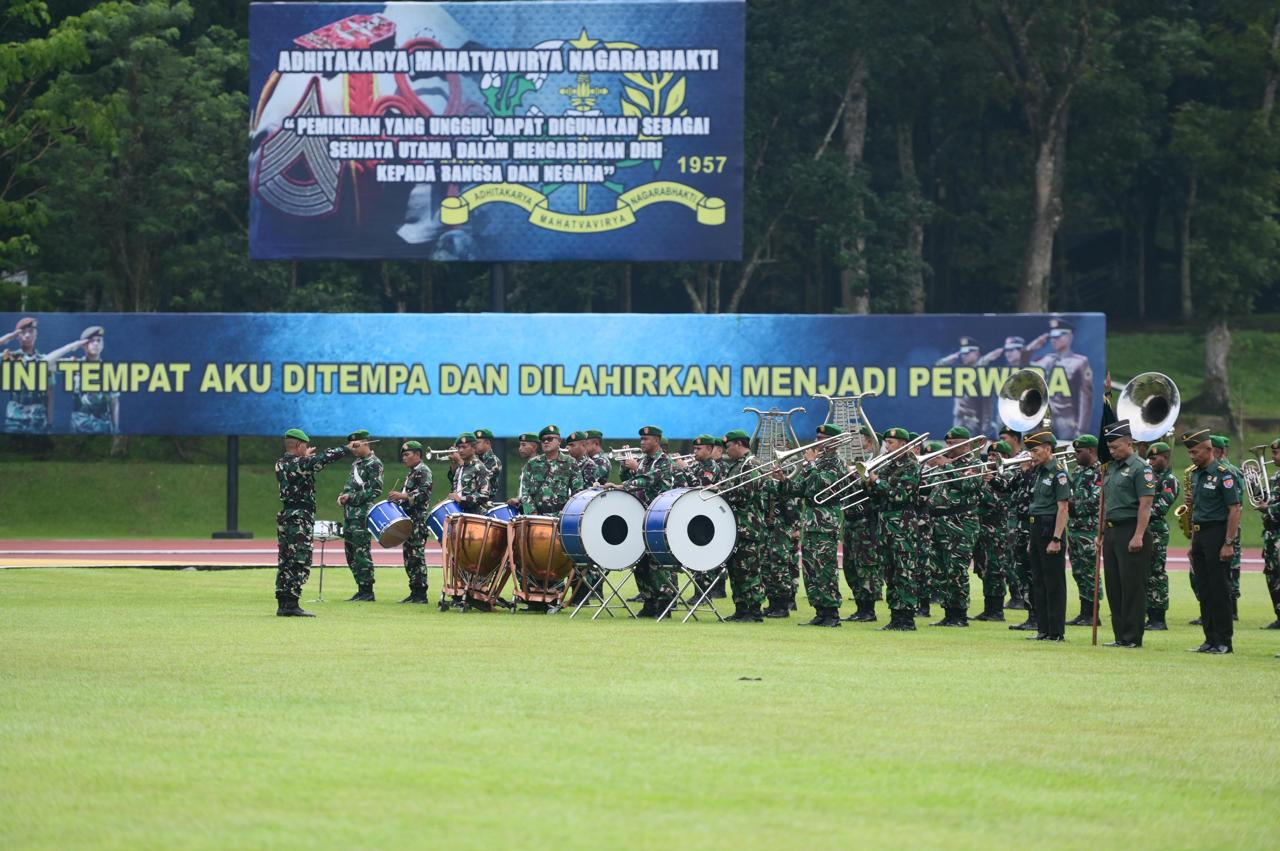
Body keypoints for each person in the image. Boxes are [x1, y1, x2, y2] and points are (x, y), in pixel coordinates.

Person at [273, 429, 351, 616]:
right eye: (305, 446)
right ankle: (291, 604)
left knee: (285, 559)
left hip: (287, 514)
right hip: (300, 517)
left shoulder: (281, 463)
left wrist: (304, 457)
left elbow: (302, 464)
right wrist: (346, 449)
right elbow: (323, 459)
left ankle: (284, 602)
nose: (307, 449)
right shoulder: (301, 463)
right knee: (300, 558)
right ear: (299, 445)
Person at [775, 424, 846, 627]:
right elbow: (802, 489)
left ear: (833, 441)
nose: (817, 441)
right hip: (811, 521)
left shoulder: (836, 463)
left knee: (825, 568)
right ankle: (820, 611)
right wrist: (783, 480)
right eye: (817, 437)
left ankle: (831, 613)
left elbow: (823, 484)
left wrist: (811, 465)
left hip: (826, 522)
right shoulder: (819, 462)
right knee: (811, 568)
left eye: (822, 438)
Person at [1098, 421, 1156, 647]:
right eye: (1110, 448)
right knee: (1114, 587)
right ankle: (1120, 635)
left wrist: (1139, 535)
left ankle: (1132, 637)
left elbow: (1146, 504)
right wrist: (1101, 531)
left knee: (1132, 587)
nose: (1112, 452)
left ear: (1129, 443)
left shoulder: (1142, 468)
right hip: (1112, 532)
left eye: (1116, 447)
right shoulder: (1111, 468)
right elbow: (1107, 502)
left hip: (1131, 529)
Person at [609, 425, 676, 617]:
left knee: (657, 562)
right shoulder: (645, 460)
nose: (642, 443)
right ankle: (649, 601)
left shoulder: (664, 461)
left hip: (658, 517)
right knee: (640, 561)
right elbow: (631, 477)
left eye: (646, 439)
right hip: (641, 515)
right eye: (641, 440)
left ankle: (664, 604)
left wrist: (626, 480)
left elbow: (650, 480)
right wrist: (625, 467)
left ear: (656, 440)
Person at [1182, 428, 1239, 654]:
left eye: (1195, 452)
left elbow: (1234, 509)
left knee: (1219, 589)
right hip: (1200, 534)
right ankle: (1209, 639)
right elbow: (1197, 511)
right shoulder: (1196, 474)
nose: (1191, 456)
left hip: (1217, 533)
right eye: (1190, 453)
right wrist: (1192, 543)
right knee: (1204, 590)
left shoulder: (1224, 474)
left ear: (1209, 450)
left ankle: (1224, 641)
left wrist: (1228, 542)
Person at [866, 427, 922, 631]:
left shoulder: (910, 466)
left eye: (891, 442)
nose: (886, 446)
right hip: (886, 522)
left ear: (903, 444)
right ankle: (895, 615)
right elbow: (876, 495)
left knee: (904, 571)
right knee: (889, 571)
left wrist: (877, 481)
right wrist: (867, 482)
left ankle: (906, 617)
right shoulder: (887, 464)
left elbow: (900, 495)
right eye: (886, 442)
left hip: (902, 523)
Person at [929, 427, 983, 627]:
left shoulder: (975, 463)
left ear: (966, 444)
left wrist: (945, 467)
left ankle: (960, 614)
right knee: (941, 569)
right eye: (948, 444)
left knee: (957, 569)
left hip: (961, 523)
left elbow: (968, 484)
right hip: (940, 524)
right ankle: (948, 612)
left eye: (954, 444)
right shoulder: (946, 465)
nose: (949, 447)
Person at [717, 429, 769, 621]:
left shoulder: (751, 464)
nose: (726, 451)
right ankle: (741, 608)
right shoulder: (737, 465)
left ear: (739, 444)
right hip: (736, 526)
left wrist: (720, 491)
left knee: (749, 570)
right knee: (736, 570)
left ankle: (754, 610)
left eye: (728, 446)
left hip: (749, 526)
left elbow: (745, 492)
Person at [1023, 429, 1069, 641]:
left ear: (1048, 449)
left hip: (1050, 528)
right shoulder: (1039, 472)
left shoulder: (1058, 473)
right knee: (1039, 582)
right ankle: (1043, 629)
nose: (1032, 455)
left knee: (1054, 583)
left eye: (1035, 450)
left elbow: (1063, 509)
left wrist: (1056, 539)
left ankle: (1056, 631)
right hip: (1036, 527)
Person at [44, 326, 120, 433]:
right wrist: (71, 346)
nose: (96, 344)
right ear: (84, 345)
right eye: (91, 341)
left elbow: (114, 402)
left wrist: (116, 428)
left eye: (99, 341)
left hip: (103, 426)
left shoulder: (108, 369)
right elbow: (44, 363)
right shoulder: (75, 365)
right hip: (80, 425)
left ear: (103, 344)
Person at [843, 426, 883, 622]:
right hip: (850, 521)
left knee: (866, 566)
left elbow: (878, 492)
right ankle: (860, 607)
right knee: (850, 566)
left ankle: (868, 610)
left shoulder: (878, 463)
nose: (854, 444)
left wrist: (861, 477)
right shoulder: (852, 462)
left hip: (866, 522)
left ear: (870, 442)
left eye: (859, 440)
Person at [339, 429, 383, 601]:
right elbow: (351, 486)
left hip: (362, 515)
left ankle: (367, 590)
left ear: (366, 443)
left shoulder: (374, 463)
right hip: (350, 514)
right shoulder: (357, 463)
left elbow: (375, 490)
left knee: (361, 552)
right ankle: (360, 587)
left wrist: (351, 497)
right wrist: (343, 496)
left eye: (356, 446)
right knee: (350, 553)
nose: (354, 450)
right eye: (352, 446)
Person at [972, 440, 1014, 621]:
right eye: (989, 455)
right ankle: (989, 608)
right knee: (983, 568)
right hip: (982, 527)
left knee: (995, 569)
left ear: (1006, 457)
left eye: (995, 456)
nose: (990, 458)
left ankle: (996, 610)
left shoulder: (1009, 476)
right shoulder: (986, 474)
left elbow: (998, 502)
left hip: (997, 529)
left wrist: (983, 487)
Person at [1033, 318, 1094, 440]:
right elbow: (1023, 367)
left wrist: (1081, 430)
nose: (1054, 339)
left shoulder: (1080, 362)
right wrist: (1032, 347)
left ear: (1070, 336)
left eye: (1058, 336)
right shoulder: (1047, 359)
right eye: (1052, 336)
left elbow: (1085, 399)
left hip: (1067, 421)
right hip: (1045, 420)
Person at [388, 440, 433, 603]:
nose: (404, 458)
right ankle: (414, 592)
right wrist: (397, 501)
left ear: (418, 455)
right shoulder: (412, 473)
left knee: (416, 556)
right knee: (409, 557)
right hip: (408, 520)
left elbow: (424, 494)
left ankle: (421, 593)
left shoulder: (423, 471)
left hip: (417, 520)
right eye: (403, 455)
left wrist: (403, 496)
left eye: (407, 454)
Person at [1066, 434, 1102, 626]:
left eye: (1079, 452)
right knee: (1078, 572)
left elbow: (1096, 501)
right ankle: (1084, 611)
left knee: (1090, 572)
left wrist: (1071, 504)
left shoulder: (1100, 472)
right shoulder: (1079, 471)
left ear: (1092, 451)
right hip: (1075, 528)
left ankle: (1093, 613)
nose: (1076, 455)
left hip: (1089, 529)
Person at [1144, 442, 1180, 630]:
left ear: (1165, 458)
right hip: (1142, 530)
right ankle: (1148, 614)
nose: (1150, 462)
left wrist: (1138, 511)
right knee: (1144, 573)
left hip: (1156, 531)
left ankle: (1158, 618)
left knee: (1156, 574)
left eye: (1154, 458)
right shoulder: (1149, 477)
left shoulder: (1170, 480)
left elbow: (1159, 508)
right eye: (1149, 458)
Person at [1211, 435, 1243, 619]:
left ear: (1220, 451)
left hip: (1228, 526)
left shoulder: (1229, 472)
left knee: (1230, 570)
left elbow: (1235, 505)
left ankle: (1231, 611)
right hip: (1215, 526)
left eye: (1212, 448)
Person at [0, 317, 52, 432]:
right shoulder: (9, 357)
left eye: (31, 331)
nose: (27, 335)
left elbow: (49, 393)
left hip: (38, 419)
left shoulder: (44, 360)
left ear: (36, 334)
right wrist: (8, 337)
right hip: (14, 418)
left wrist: (49, 422)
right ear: (17, 336)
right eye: (23, 332)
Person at [519, 425, 581, 516]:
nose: (546, 442)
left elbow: (578, 491)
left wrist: (568, 512)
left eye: (550, 439)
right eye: (543, 440)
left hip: (561, 516)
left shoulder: (570, 463)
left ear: (559, 441)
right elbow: (525, 491)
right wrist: (532, 513)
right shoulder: (532, 464)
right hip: (537, 516)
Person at [936, 337, 983, 435]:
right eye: (962, 353)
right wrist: (948, 359)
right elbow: (937, 371)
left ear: (977, 353)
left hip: (974, 421)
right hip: (959, 420)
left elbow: (987, 407)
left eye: (967, 353)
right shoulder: (960, 372)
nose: (963, 356)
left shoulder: (983, 373)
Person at [1260, 438, 1280, 630]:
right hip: (1271, 535)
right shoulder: (1275, 477)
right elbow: (1266, 498)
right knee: (1272, 576)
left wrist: (1269, 510)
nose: (1273, 457)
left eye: (1276, 453)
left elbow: (1272, 506)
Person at [448, 432, 491, 512]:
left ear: (474, 448)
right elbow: (457, 490)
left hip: (474, 517)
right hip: (459, 513)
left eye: (464, 447)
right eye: (459, 447)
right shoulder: (460, 468)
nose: (460, 450)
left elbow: (484, 495)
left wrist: (462, 499)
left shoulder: (479, 467)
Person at [474, 428, 502, 500]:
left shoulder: (494, 461)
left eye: (477, 443)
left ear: (487, 443)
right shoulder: (474, 459)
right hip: (468, 499)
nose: (474, 446)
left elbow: (483, 477)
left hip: (484, 502)